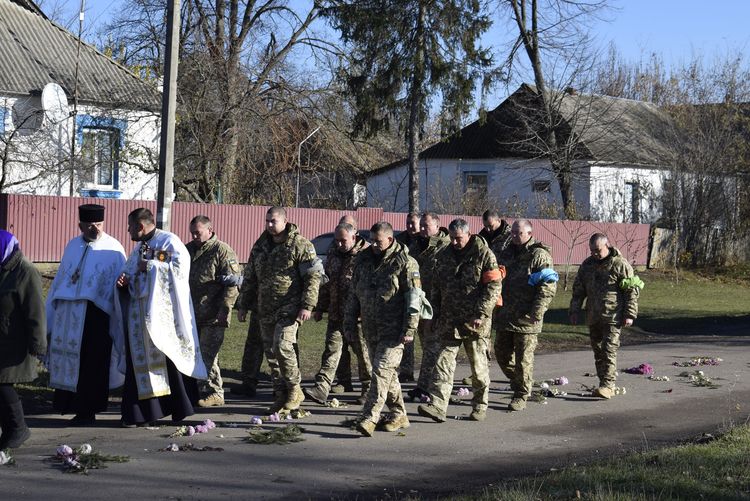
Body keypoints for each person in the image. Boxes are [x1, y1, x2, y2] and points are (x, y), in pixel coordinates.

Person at [115, 208, 206, 427]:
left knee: (168, 363)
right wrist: (124, 281)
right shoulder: (138, 248)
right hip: (139, 318)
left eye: (130, 226)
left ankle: (176, 409)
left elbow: (179, 271)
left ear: (140, 226)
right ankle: (141, 413)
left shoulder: (169, 242)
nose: (128, 231)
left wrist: (152, 266)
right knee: (139, 365)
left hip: (163, 318)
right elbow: (131, 270)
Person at [236, 207, 322, 413]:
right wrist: (243, 304)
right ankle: (280, 394)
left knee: (282, 345)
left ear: (285, 221)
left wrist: (307, 305)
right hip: (264, 308)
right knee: (272, 354)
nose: (269, 225)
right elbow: (250, 278)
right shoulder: (260, 245)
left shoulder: (300, 245)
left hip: (289, 308)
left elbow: (312, 277)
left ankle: (294, 389)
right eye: (267, 221)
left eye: (273, 221)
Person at [47, 204, 126, 426]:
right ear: (80, 224)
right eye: (90, 225)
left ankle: (88, 411)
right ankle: (67, 405)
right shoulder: (72, 245)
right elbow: (63, 276)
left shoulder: (113, 248)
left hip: (96, 316)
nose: (95, 229)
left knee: (93, 364)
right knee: (69, 359)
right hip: (69, 316)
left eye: (99, 225)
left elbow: (119, 281)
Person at [418, 219, 502, 422]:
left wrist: (481, 314)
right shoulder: (444, 256)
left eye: (459, 239)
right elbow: (436, 288)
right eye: (453, 239)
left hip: (474, 322)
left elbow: (493, 287)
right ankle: (438, 406)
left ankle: (480, 405)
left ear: (468, 234)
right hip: (449, 320)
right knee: (443, 364)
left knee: (479, 368)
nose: (455, 242)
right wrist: (433, 314)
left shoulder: (483, 254)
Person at [345, 222, 421, 437]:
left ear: (390, 239)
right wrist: (349, 322)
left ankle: (369, 417)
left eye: (379, 241)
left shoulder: (406, 263)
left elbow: (414, 299)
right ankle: (399, 414)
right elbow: (354, 294)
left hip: (395, 330)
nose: (375, 245)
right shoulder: (363, 260)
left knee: (380, 371)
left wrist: (410, 328)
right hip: (371, 328)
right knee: (387, 375)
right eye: (372, 240)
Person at [305, 221, 371, 405]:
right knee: (331, 351)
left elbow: (369, 289)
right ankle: (321, 388)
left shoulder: (366, 257)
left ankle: (369, 388)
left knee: (363, 354)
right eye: (337, 240)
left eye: (343, 240)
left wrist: (365, 312)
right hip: (335, 313)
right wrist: (320, 307)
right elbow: (327, 283)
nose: (339, 244)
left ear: (354, 237)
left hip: (357, 317)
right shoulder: (333, 254)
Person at [494, 219, 557, 411]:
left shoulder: (539, 255)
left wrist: (536, 312)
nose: (514, 236)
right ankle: (522, 381)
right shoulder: (505, 254)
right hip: (505, 315)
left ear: (529, 233)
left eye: (518, 233)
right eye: (512, 232)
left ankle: (521, 394)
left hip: (527, 318)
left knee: (523, 359)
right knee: (502, 355)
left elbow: (547, 287)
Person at [569, 233, 642, 399]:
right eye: (592, 250)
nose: (595, 253)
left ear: (607, 245)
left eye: (598, 250)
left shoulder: (619, 264)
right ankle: (603, 382)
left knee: (609, 350)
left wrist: (629, 314)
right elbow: (578, 290)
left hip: (613, 315)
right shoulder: (587, 265)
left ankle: (608, 385)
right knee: (598, 351)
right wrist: (574, 310)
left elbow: (631, 291)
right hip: (593, 315)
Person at [185, 215, 240, 408]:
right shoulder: (188, 249)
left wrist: (225, 310)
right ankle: (200, 389)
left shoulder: (222, 251)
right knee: (195, 354)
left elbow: (233, 284)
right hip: (192, 313)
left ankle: (215, 392)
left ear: (210, 230)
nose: (194, 236)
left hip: (214, 314)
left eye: (198, 233)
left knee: (207, 354)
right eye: (192, 232)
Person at [0, 231, 46, 449]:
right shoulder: (3, 268)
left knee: (3, 384)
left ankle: (18, 428)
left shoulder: (25, 271)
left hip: (14, 340)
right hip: (2, 338)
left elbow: (35, 310)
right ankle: (10, 429)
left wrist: (38, 343)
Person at [406, 212, 450, 401]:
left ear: (437, 227)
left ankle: (425, 387)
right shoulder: (415, 245)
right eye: (421, 225)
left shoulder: (445, 247)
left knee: (433, 347)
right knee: (427, 346)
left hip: (437, 304)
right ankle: (430, 383)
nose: (422, 229)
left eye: (426, 226)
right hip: (419, 303)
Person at [396, 212, 420, 383]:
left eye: (414, 223)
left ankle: (429, 373)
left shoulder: (424, 240)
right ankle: (406, 370)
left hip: (419, 288)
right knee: (407, 332)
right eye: (408, 223)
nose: (410, 226)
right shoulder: (400, 240)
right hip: (404, 290)